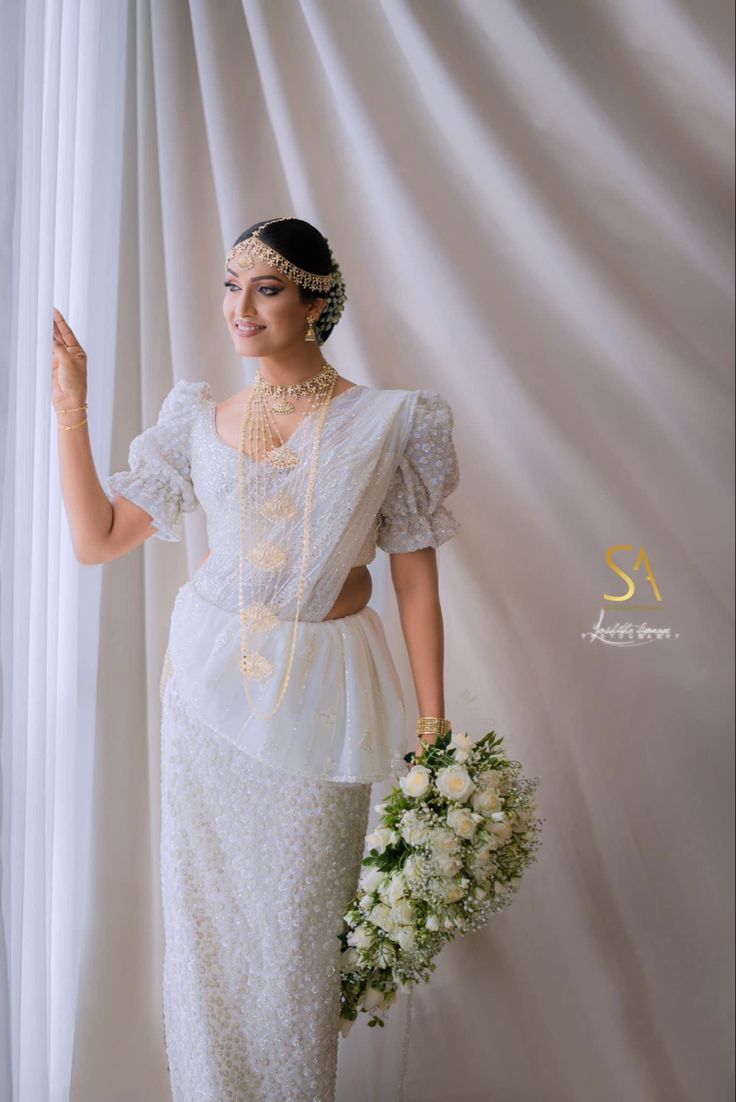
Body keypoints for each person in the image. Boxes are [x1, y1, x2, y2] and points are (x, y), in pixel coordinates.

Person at [52, 216, 461, 1101]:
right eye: (232, 286)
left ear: (317, 301)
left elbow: (417, 585)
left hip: (320, 703)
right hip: (206, 700)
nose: (241, 308)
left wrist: (434, 721)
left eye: (266, 288)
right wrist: (70, 410)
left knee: (295, 947)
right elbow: (97, 541)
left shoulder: (391, 423)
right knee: (206, 942)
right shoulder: (198, 417)